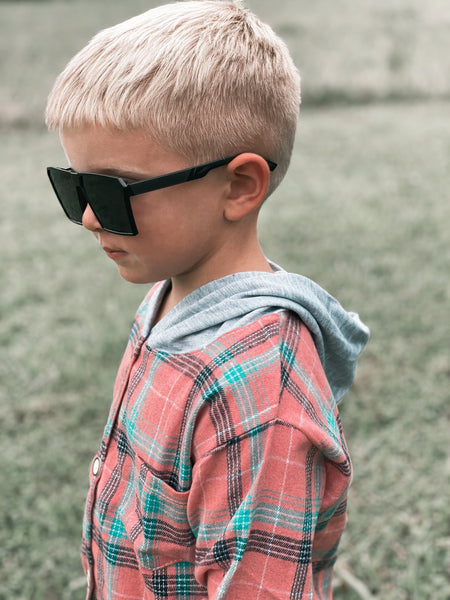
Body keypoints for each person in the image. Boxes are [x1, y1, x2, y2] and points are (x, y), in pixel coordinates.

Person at [45, 1, 369, 598]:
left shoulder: (258, 386)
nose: (89, 217)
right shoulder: (169, 295)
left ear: (240, 186)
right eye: (73, 186)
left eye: (111, 190)